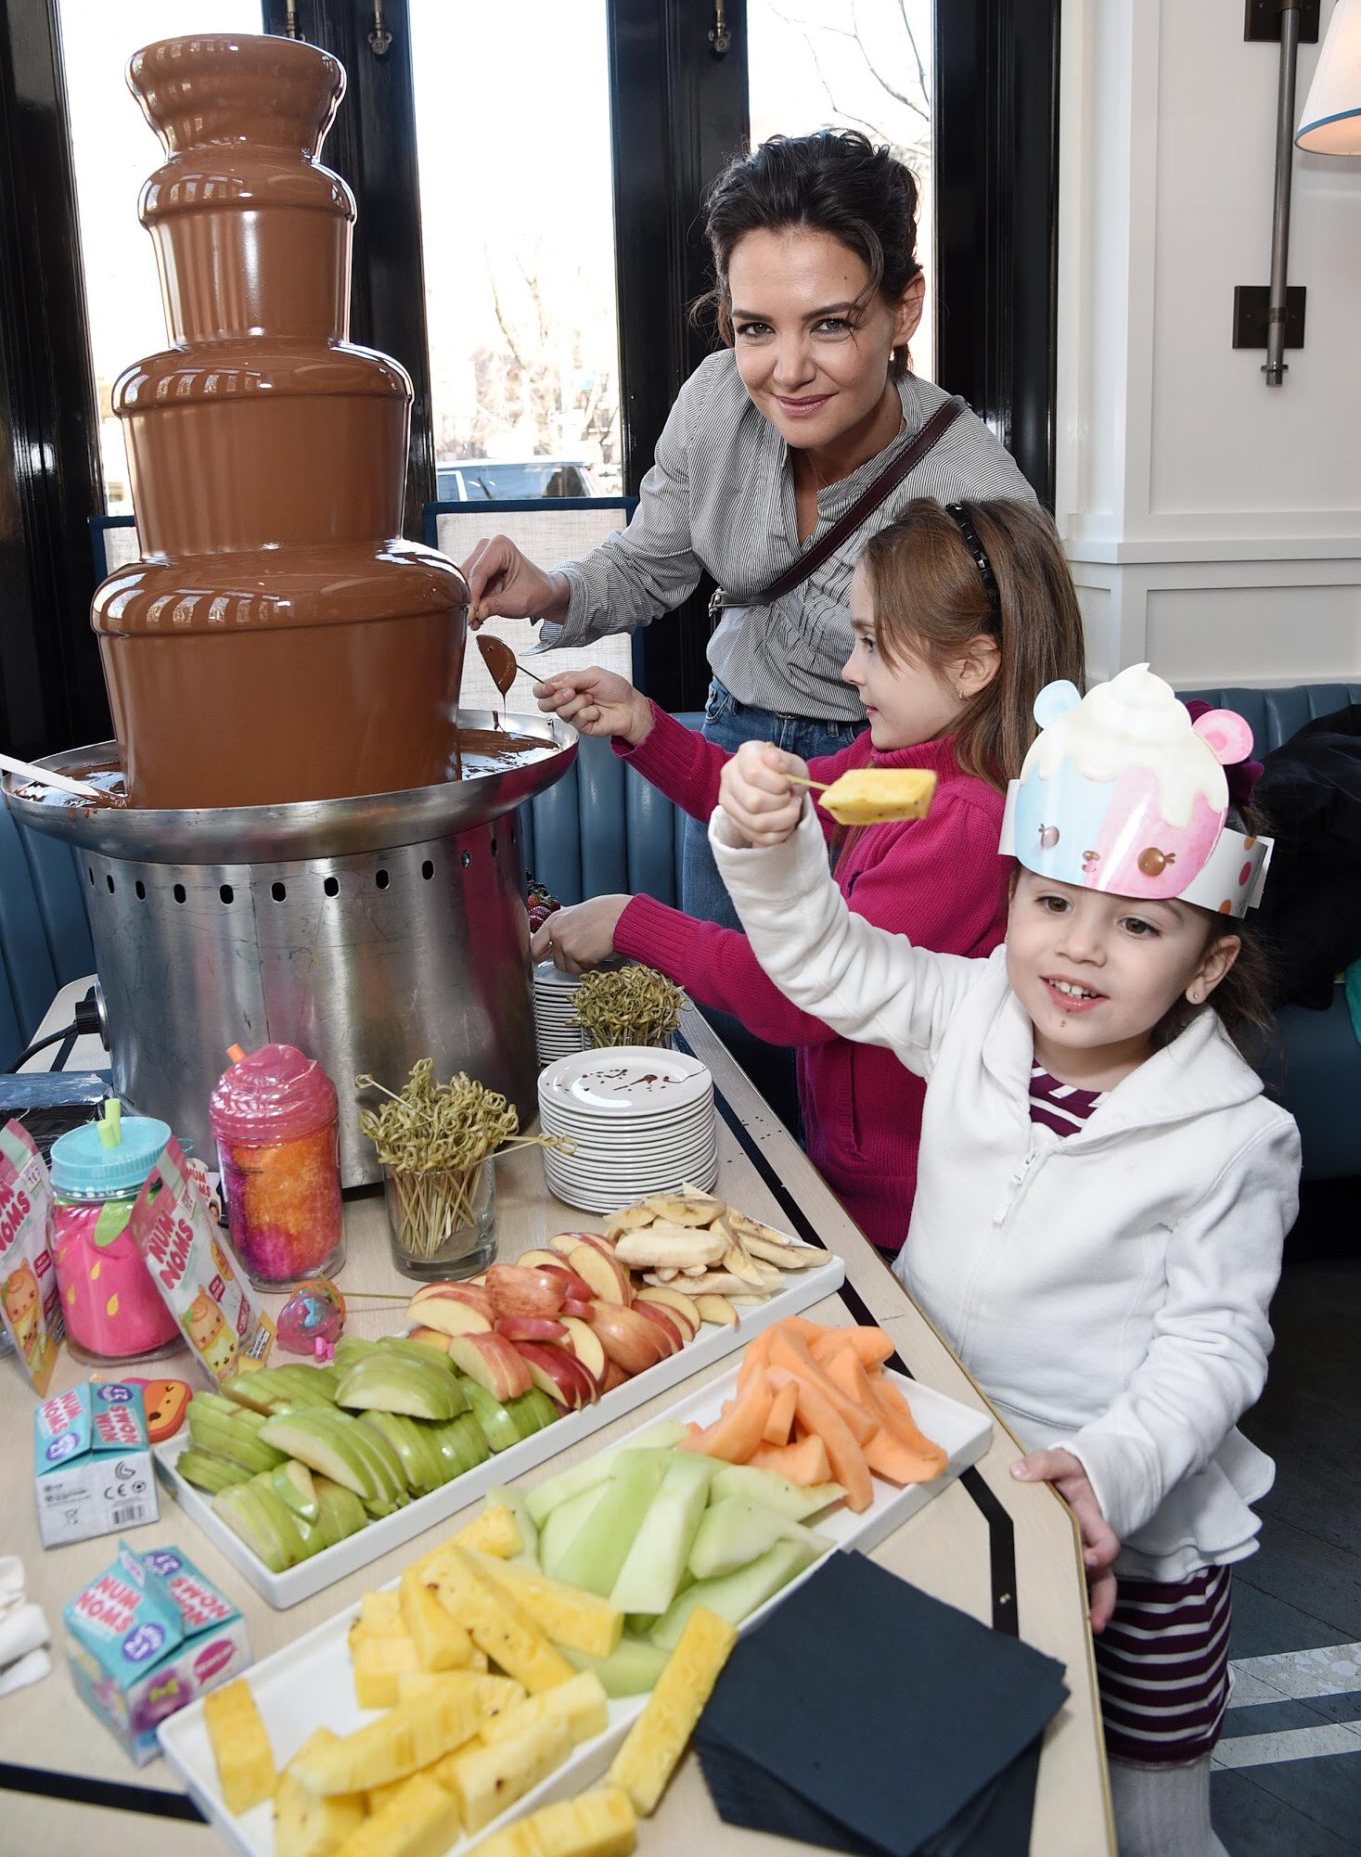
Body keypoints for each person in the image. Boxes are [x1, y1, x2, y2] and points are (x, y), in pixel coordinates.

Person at [708, 665, 1300, 1857]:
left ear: (1202, 965)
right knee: (971, 1753)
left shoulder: (1234, 1135)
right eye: (1048, 903)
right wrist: (762, 844)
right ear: (1010, 901)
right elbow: (823, 960)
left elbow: (1214, 1345)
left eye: (1135, 922)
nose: (1077, 950)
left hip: (1128, 1515)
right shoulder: (970, 1009)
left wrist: (1108, 1472)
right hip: (942, 1461)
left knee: (1145, 1802)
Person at [463, 128, 1034, 928]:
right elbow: (648, 563)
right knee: (731, 1039)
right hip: (729, 745)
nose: (786, 370)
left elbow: (1002, 740)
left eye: (830, 324)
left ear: (903, 309)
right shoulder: (712, 400)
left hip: (887, 778)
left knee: (851, 1030)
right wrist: (550, 590)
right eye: (756, 327)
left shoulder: (977, 498)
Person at [530, 498, 1085, 1253]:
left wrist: (629, 922)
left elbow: (798, 1001)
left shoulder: (963, 822)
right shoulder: (894, 760)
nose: (850, 669)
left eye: (871, 645)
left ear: (972, 665)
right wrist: (643, 724)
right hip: (850, 1173)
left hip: (912, 1204)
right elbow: (762, 801)